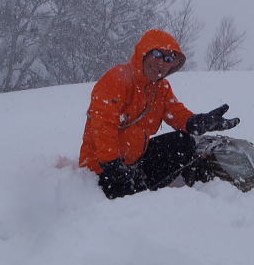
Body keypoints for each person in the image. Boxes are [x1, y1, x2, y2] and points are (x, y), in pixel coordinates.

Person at [79, 29, 240, 199]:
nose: (161, 63)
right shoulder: (117, 79)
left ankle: (154, 188)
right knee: (129, 195)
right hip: (102, 168)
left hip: (135, 161)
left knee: (183, 142)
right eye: (157, 54)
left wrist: (197, 122)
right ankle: (141, 195)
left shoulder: (161, 88)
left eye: (168, 59)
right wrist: (113, 166)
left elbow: (176, 113)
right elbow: (103, 126)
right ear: (144, 52)